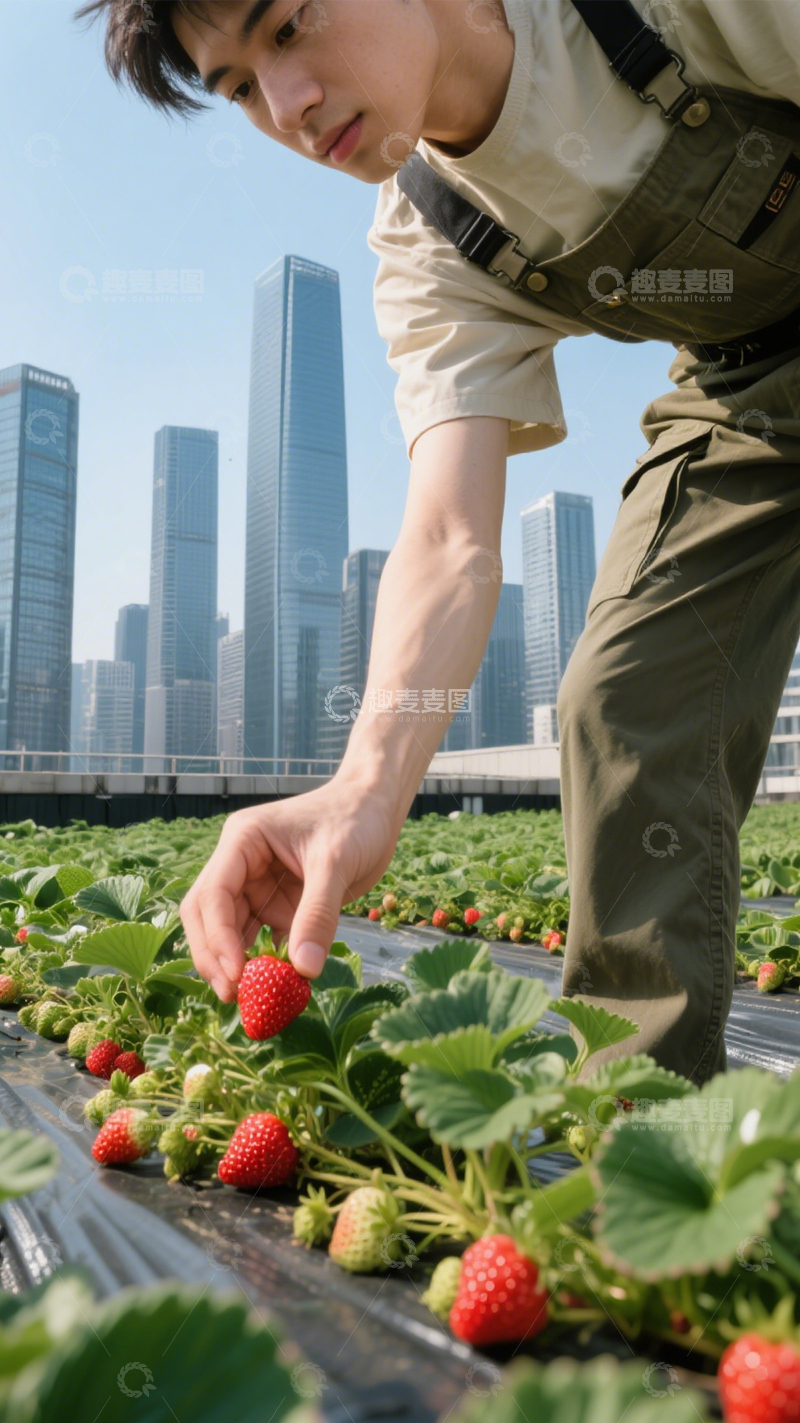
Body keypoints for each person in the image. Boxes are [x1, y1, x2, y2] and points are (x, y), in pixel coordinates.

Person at [74, 0, 800, 1087]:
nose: (286, 104)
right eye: (236, 87)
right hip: (746, 387)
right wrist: (362, 790)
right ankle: (650, 1155)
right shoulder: (427, 238)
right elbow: (452, 537)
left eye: (285, 27)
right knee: (622, 702)